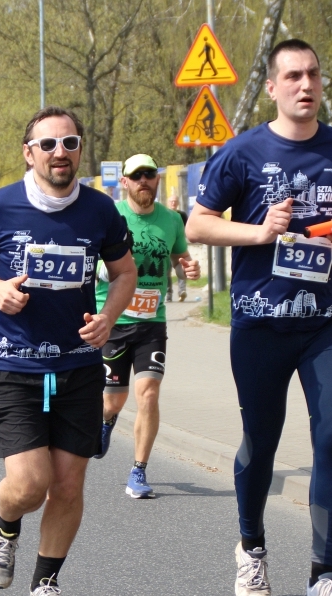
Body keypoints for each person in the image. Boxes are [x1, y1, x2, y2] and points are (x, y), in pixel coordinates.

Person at [186, 39, 332, 596]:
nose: (305, 84)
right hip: (261, 323)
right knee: (261, 441)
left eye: (313, 74)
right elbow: (198, 226)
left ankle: (324, 579)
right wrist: (259, 233)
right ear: (272, 87)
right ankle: (252, 548)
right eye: (292, 75)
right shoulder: (241, 153)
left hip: (327, 321)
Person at [0, 106, 137, 596]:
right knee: (30, 484)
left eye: (70, 143)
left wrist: (108, 317)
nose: (60, 152)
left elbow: (124, 272)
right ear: (28, 153)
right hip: (13, 366)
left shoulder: (99, 210)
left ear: (80, 151)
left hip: (79, 367)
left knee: (68, 485)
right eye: (48, 144)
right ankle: (5, 527)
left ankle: (45, 585)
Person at [94, 154, 199, 498]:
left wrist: (189, 268)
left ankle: (138, 471)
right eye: (136, 175)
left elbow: (180, 258)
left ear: (157, 179)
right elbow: (91, 258)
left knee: (149, 393)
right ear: (124, 181)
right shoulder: (110, 216)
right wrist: (103, 271)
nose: (143, 180)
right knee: (113, 401)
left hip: (151, 322)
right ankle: (106, 421)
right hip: (112, 320)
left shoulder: (171, 219)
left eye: (149, 174)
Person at [166, 194, 190, 301]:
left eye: (175, 201)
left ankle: (182, 291)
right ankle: (168, 294)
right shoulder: (164, 215)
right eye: (171, 201)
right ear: (168, 203)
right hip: (167, 246)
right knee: (166, 271)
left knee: (181, 266)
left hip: (179, 246)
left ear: (178, 203)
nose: (173, 203)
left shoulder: (182, 215)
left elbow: (187, 228)